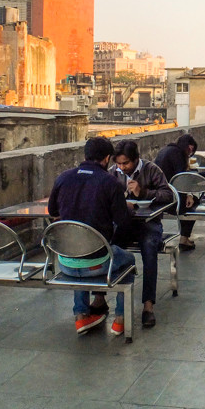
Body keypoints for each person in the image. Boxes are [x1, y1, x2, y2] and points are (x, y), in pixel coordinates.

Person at [47, 137, 136, 335]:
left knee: (77, 248)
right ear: (106, 159)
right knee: (129, 261)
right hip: (98, 263)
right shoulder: (110, 182)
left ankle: (81, 316)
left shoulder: (63, 178)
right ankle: (120, 319)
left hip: (65, 262)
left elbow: (53, 212)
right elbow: (122, 221)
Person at [109, 139, 173, 330]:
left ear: (136, 159)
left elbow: (168, 195)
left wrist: (142, 192)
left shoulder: (152, 169)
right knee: (109, 246)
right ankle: (100, 298)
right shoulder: (113, 173)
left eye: (126, 163)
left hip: (149, 223)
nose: (122, 167)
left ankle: (148, 304)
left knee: (149, 248)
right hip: (124, 222)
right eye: (119, 164)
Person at [154, 133, 198, 251]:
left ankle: (185, 237)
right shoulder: (178, 154)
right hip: (169, 198)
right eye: (190, 150)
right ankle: (184, 238)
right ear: (188, 147)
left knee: (189, 199)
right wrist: (189, 195)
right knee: (193, 203)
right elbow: (181, 179)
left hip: (158, 195)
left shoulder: (167, 150)